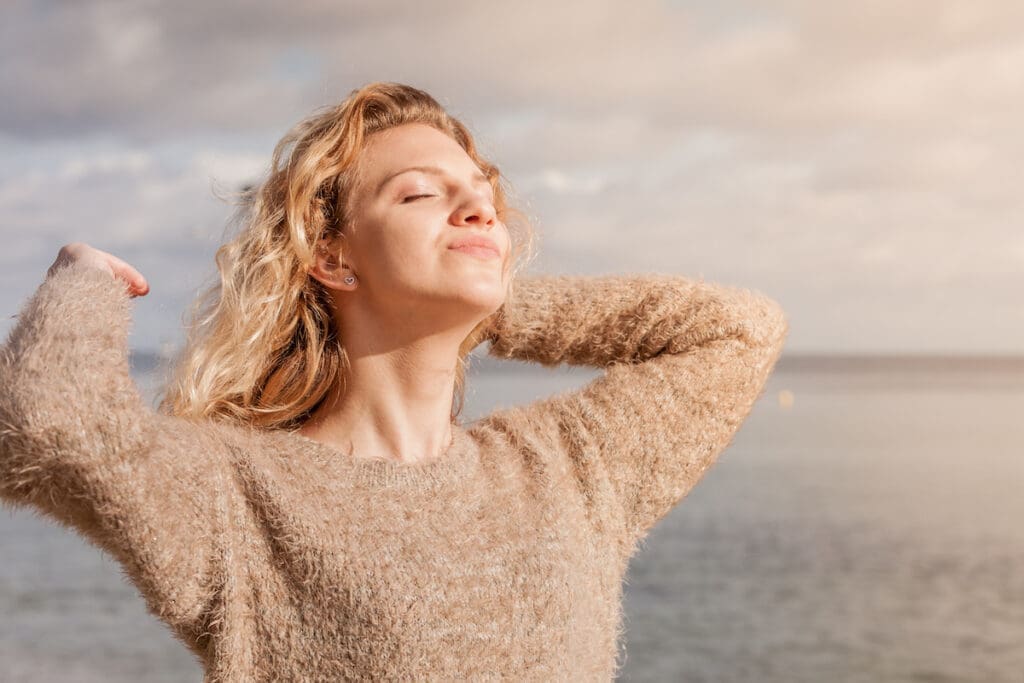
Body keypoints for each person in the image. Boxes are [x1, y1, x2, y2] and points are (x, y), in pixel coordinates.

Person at [0, 82, 789, 681]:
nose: (478, 205)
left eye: (482, 193)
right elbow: (42, 426)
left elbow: (738, 329)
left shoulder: (567, 466)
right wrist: (85, 278)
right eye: (421, 193)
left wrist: (493, 302)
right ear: (333, 257)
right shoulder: (239, 496)